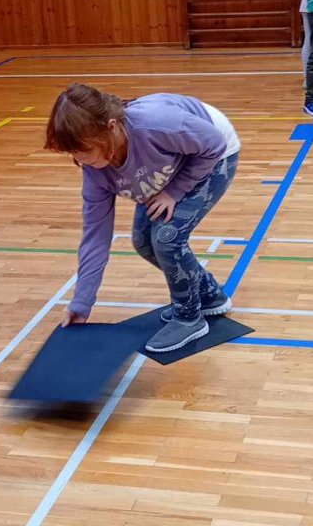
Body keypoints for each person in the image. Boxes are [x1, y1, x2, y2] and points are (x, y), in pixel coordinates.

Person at [44, 84, 240, 353]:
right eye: (73, 153)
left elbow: (213, 144)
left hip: (211, 153)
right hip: (172, 159)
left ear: (111, 127)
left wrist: (174, 192)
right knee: (143, 241)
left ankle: (189, 318)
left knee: (166, 238)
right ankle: (210, 296)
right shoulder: (95, 173)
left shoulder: (157, 124)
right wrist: (81, 303)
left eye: (85, 149)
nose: (80, 159)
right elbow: (95, 239)